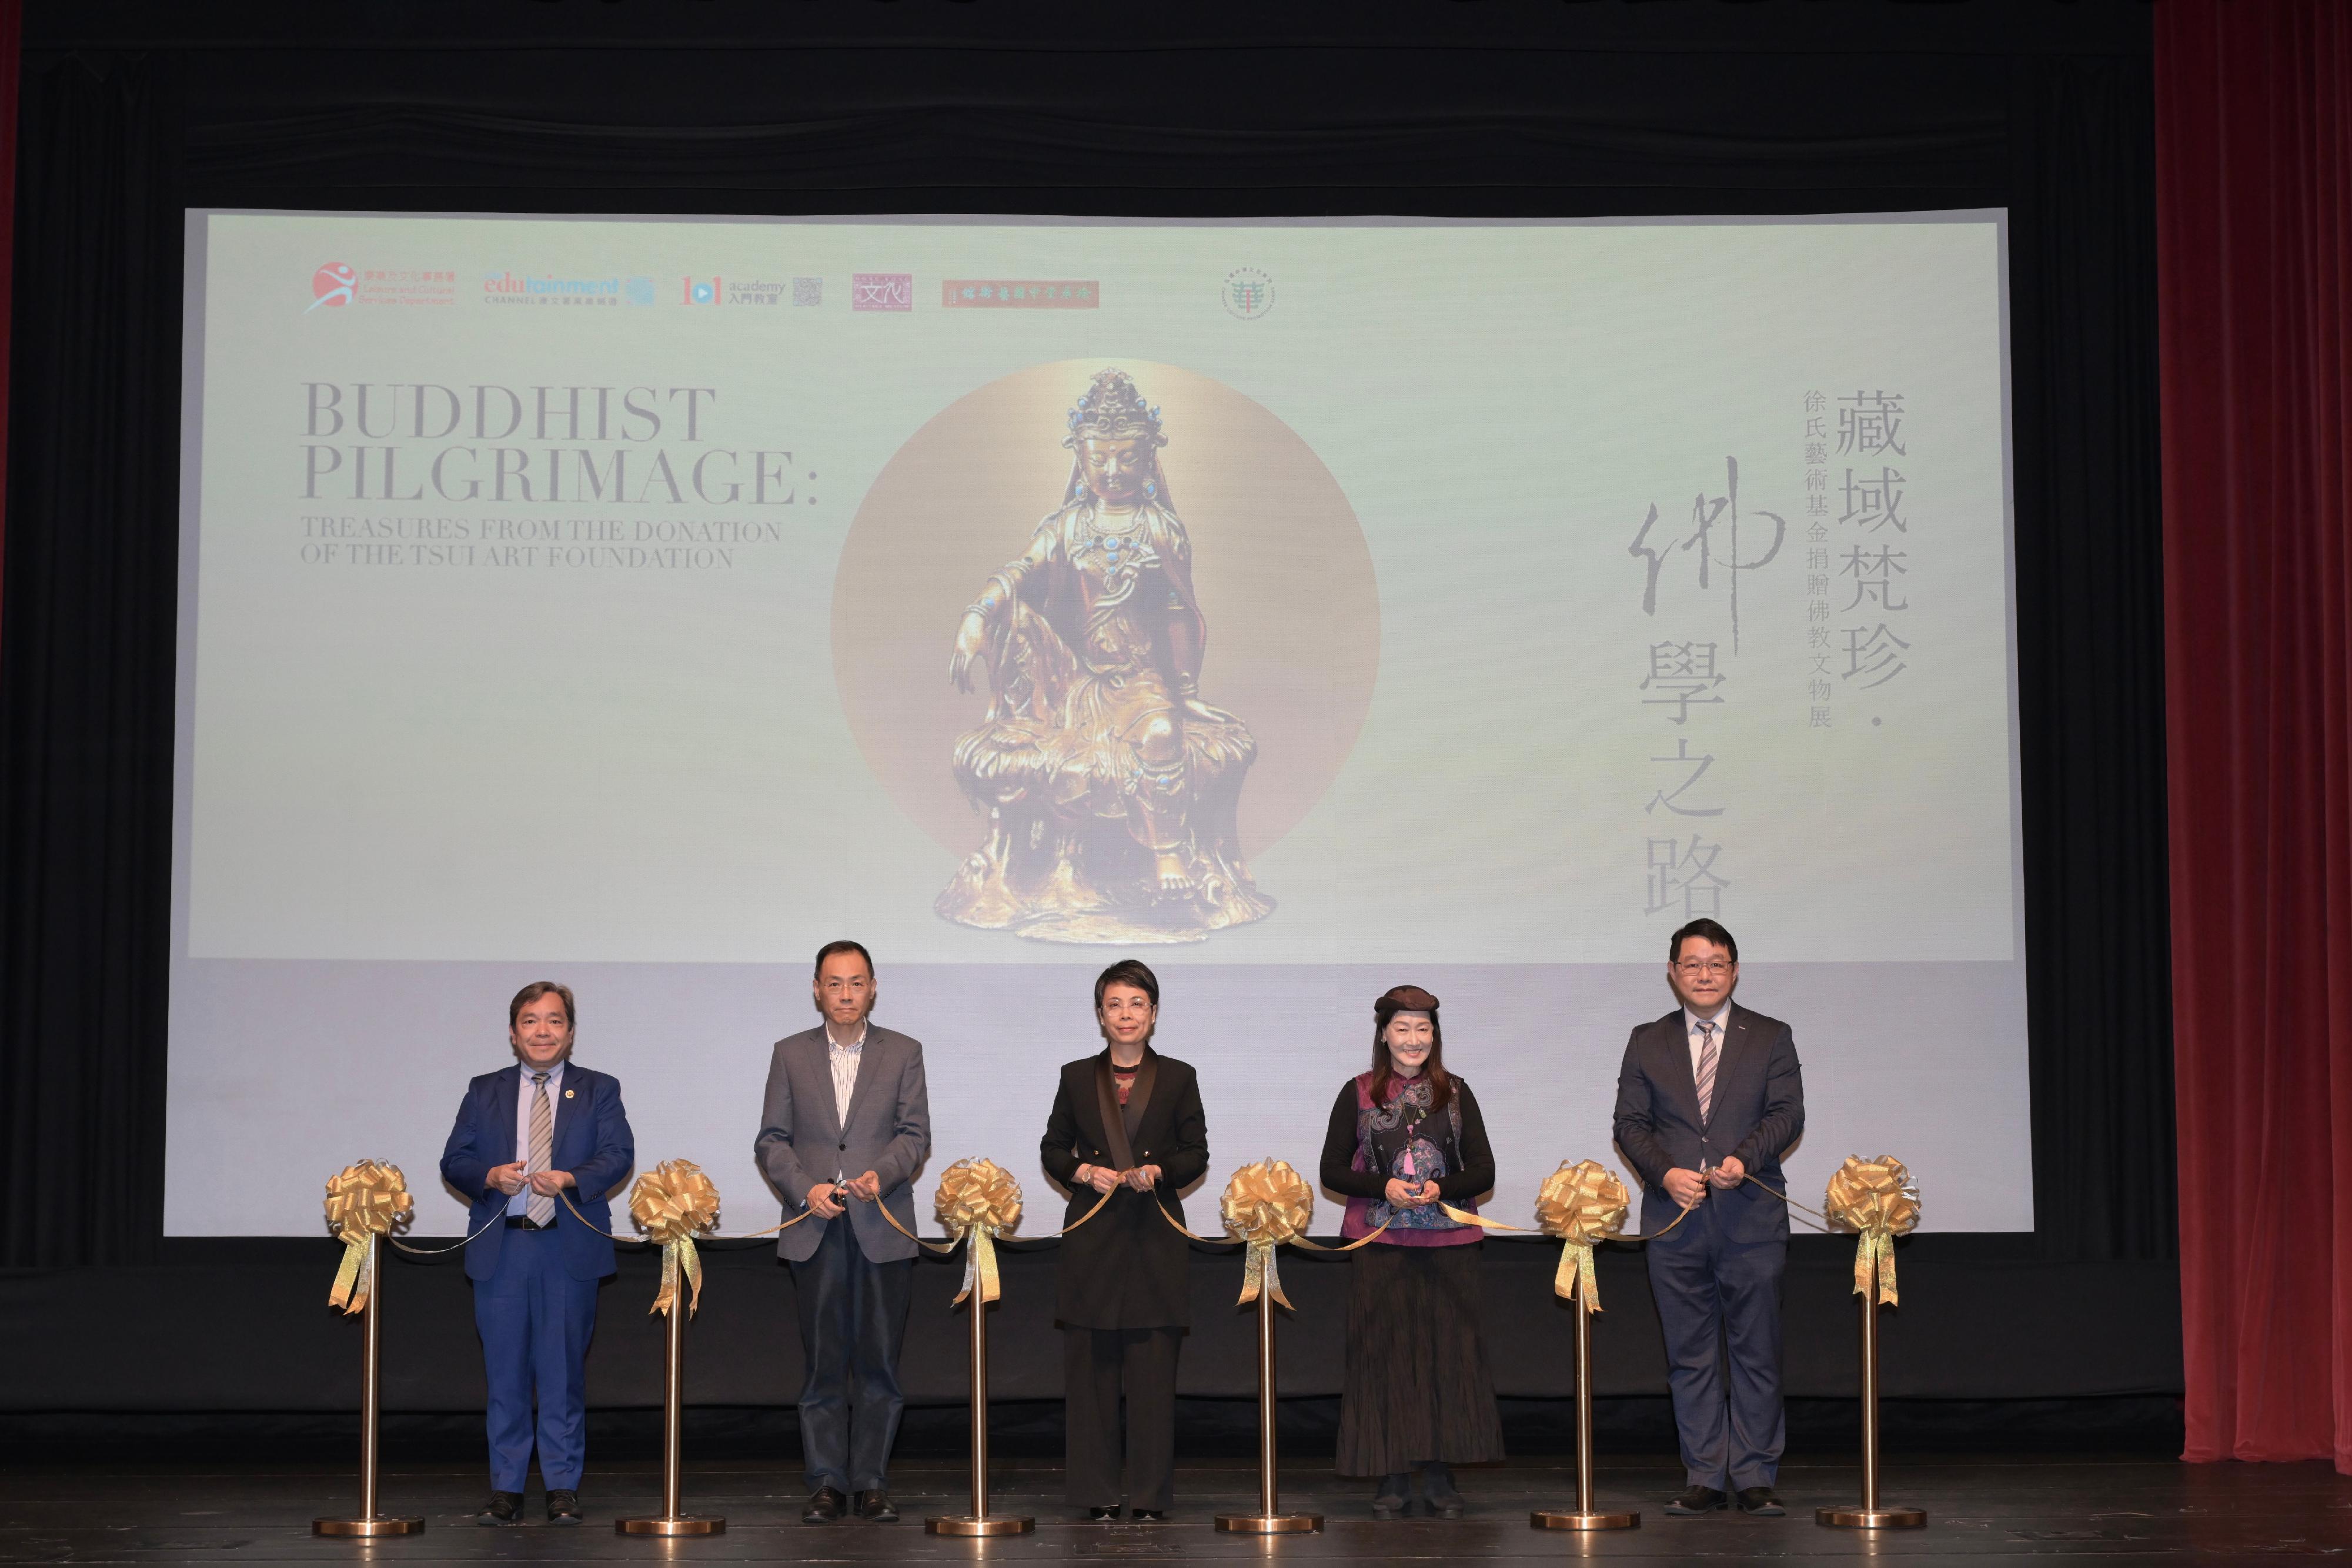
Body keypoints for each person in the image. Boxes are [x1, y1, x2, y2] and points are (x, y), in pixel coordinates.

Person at [940, 367, 1272, 942]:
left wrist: (1186, 694)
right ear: (1082, 461)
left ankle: (1166, 853)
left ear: (1147, 460)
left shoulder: (1161, 531)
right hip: (1073, 683)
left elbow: (1175, 612)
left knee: (1163, 731)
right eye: (1101, 461)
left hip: (1139, 683)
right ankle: (1061, 872)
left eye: (1126, 459)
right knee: (1052, 752)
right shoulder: (1065, 528)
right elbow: (1018, 574)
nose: (1114, 472)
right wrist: (976, 616)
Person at [1611, 918, 1805, 1518]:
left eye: (1716, 964)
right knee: (1688, 1354)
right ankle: (1704, 1473)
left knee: (1756, 1351)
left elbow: (1786, 1114)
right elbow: (1630, 1125)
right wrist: (1665, 1173)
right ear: (1672, 973)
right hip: (1675, 1220)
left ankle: (1752, 1474)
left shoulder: (1770, 1036)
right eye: (1691, 964)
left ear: (1735, 971)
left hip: (1750, 1219)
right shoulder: (1648, 1039)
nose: (1703, 974)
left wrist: (1742, 1160)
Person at [439, 981, 636, 1527]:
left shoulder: (599, 1088)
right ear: (512, 1032)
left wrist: (572, 1178)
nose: (542, 1031)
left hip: (567, 1247)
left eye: (554, 1021)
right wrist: (488, 1175)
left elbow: (619, 1154)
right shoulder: (485, 1090)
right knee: (504, 1374)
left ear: (571, 1032)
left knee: (563, 1373)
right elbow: (453, 1159)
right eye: (531, 1021)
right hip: (503, 1247)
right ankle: (506, 1488)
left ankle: (562, 1487)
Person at [753, 940, 932, 1524]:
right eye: (835, 983)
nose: (846, 994)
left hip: (880, 1224)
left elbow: (914, 1134)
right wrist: (806, 1189)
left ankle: (872, 1481)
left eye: (857, 983)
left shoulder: (903, 1051)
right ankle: (827, 1482)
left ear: (873, 988)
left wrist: (881, 1175)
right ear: (816, 989)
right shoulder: (789, 1054)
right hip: (816, 1225)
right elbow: (771, 1140)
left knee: (880, 1363)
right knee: (824, 1364)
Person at [1318, 984, 1504, 1519]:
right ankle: (1393, 1474)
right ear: (1383, 1034)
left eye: (1424, 1028)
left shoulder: (1458, 1091)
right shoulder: (1356, 1092)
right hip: (1382, 1245)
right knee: (1387, 1357)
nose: (1414, 1039)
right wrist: (1383, 1186)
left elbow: (1484, 1169)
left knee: (1450, 1357)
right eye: (1403, 1028)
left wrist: (1442, 1187)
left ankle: (1442, 1476)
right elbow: (1332, 1169)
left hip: (1450, 1245)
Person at [1038, 959, 1210, 1521]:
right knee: (1090, 1376)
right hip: (1093, 1239)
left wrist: (1158, 1171)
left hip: (1155, 1238)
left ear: (1154, 1013)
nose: (1127, 1014)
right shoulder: (1074, 1075)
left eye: (1137, 1004)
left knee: (1155, 1378)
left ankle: (1151, 1496)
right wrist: (1085, 1174)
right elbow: (1053, 1149)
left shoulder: (1180, 1076)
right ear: (1100, 1015)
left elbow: (1195, 1153)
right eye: (1115, 1005)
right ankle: (1097, 1493)